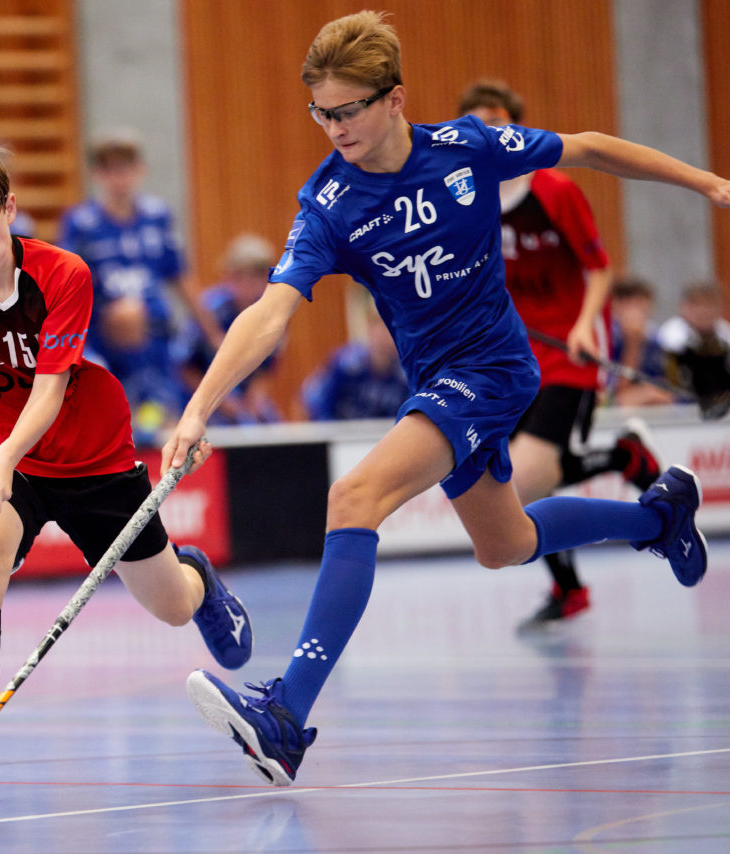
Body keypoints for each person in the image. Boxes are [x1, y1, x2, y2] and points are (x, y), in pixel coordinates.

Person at [163, 10, 721, 787]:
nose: (334, 128)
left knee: (354, 496)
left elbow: (590, 147)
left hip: (494, 369)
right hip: (434, 380)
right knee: (507, 544)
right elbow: (270, 311)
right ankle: (660, 516)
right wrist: (198, 409)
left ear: (394, 99)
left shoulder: (467, 147)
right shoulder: (330, 202)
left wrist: (710, 184)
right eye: (320, 113)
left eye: (347, 110)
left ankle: (287, 715)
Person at [0, 136, 253, 808]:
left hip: (91, 454)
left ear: (9, 209)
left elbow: (50, 390)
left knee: (172, 608)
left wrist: (1, 461)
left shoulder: (63, 274)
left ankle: (198, 578)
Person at [459, 80, 663, 630]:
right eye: (478, 124)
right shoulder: (467, 198)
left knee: (525, 482)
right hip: (512, 356)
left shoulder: (554, 190)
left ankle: (577, 575)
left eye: (498, 121)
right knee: (518, 483)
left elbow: (599, 268)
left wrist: (583, 326)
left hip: (571, 352)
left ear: (517, 128)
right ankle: (621, 461)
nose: (489, 133)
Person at [57, 129, 220, 437]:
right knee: (127, 316)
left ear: (139, 170)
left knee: (163, 420)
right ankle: (128, 408)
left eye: (125, 168)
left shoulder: (157, 217)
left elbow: (180, 274)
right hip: (103, 331)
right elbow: (66, 282)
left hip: (155, 335)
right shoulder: (81, 223)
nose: (119, 178)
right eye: (110, 169)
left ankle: (152, 413)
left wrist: (212, 332)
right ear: (97, 174)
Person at [178, 234, 283, 426]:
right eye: (241, 275)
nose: (249, 283)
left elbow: (265, 369)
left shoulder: (274, 313)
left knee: (271, 422)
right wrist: (220, 403)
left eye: (259, 274)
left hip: (242, 400)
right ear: (228, 275)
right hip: (198, 398)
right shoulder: (208, 312)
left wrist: (254, 401)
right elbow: (185, 368)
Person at [301, 295, 407, 421]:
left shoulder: (406, 373)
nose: (385, 333)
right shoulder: (346, 364)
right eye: (379, 324)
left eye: (392, 326)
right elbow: (317, 403)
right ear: (369, 327)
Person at [657, 282, 730, 406]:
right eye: (696, 304)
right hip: (679, 404)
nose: (704, 311)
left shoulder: (725, 333)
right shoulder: (671, 335)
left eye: (709, 305)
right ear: (683, 307)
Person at [607, 276, 673, 406]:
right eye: (628, 302)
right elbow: (613, 394)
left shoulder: (655, 340)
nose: (634, 309)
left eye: (640, 302)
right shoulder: (607, 339)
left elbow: (666, 388)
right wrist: (633, 343)